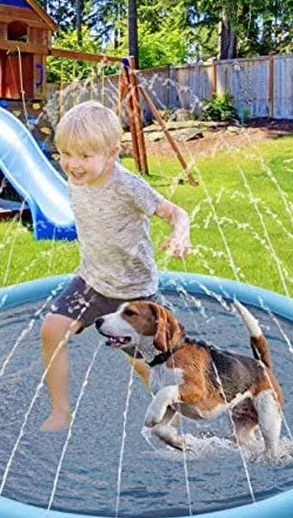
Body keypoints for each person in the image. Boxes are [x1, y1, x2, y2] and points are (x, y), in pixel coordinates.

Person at [40, 100, 192, 431]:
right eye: (65, 153)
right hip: (91, 281)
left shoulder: (128, 186)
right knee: (52, 330)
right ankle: (60, 412)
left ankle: (170, 415)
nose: (72, 164)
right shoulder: (74, 180)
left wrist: (181, 234)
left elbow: (176, 213)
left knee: (145, 366)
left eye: (84, 156)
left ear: (111, 154)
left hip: (134, 294)